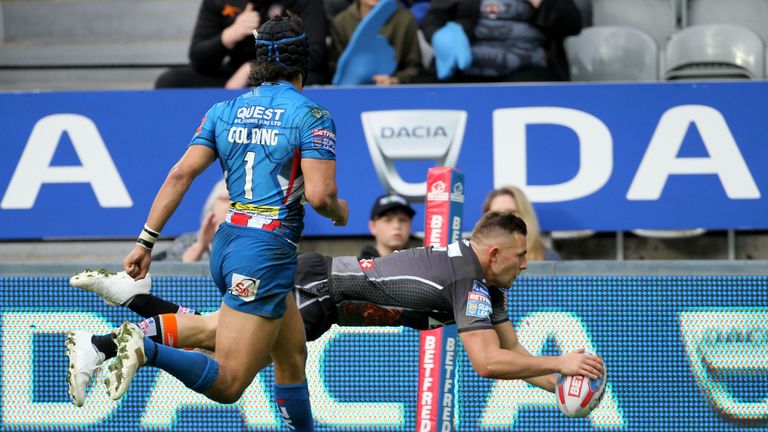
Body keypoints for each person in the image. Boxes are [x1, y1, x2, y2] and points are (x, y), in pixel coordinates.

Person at [67, 212, 604, 410]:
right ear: (493, 254)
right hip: (317, 290)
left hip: (319, 290)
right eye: (519, 256)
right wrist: (560, 366)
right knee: (223, 354)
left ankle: (134, 301)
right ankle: (111, 338)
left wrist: (557, 384)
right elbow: (488, 363)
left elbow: (514, 356)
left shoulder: (485, 284)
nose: (526, 265)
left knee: (215, 335)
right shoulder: (469, 280)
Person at [102, 14, 348, 432]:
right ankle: (143, 348)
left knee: (291, 356)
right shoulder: (312, 116)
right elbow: (322, 197)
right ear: (303, 63)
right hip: (265, 251)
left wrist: (145, 242)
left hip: (229, 239)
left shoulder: (224, 109)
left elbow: (180, 175)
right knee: (231, 381)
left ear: (259, 62)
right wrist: (340, 212)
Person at [155, 0, 329, 89]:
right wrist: (228, 36)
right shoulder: (220, 2)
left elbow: (314, 53)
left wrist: (255, 68)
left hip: (282, 75)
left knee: (309, 80)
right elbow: (199, 59)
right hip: (233, 77)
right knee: (170, 81)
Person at [421, 0, 583, 83]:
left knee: (533, 92)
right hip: (463, 68)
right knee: (422, 90)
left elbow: (572, 24)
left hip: (527, 69)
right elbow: (434, 19)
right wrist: (438, 35)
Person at [330, 0, 423, 85]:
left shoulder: (406, 19)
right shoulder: (341, 22)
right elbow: (335, 67)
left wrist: (395, 80)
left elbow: (414, 66)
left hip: (393, 91)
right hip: (351, 90)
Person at [154, 179, 229, 262]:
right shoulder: (187, 242)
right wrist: (201, 245)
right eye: (227, 199)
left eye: (240, 203)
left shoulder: (245, 245)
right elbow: (169, 271)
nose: (233, 207)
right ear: (212, 207)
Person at [483, 186, 560, 260]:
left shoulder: (548, 258)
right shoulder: (475, 259)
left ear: (525, 215)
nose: (503, 219)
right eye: (496, 213)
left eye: (510, 212)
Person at [359, 193, 416, 258]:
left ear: (410, 225)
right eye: (388, 220)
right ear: (373, 226)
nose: (397, 226)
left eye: (402, 220)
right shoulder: (358, 267)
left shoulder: (421, 265)